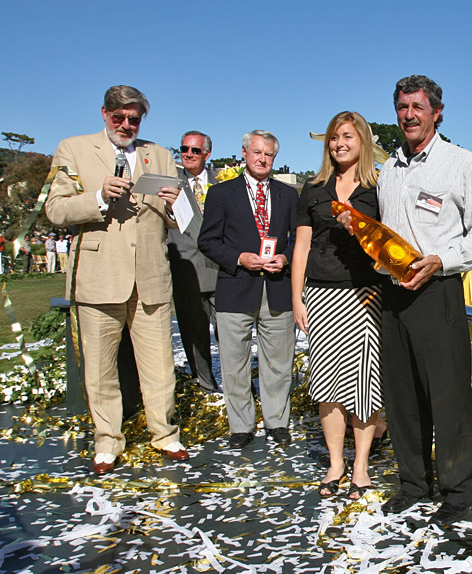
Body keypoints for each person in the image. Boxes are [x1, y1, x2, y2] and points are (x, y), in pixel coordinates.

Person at [371, 75, 472, 527]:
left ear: (436, 113)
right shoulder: (390, 170)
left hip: (438, 290)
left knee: (447, 399)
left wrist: (441, 259)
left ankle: (457, 492)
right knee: (402, 398)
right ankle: (413, 485)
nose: (409, 114)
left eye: (417, 107)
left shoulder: (460, 163)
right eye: (402, 107)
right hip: (393, 295)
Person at [44, 85, 188, 473]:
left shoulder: (158, 154)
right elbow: (54, 210)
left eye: (134, 119)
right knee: (101, 367)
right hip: (99, 275)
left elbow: (182, 219)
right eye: (118, 117)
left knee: (159, 365)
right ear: (104, 114)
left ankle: (166, 434)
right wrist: (96, 197)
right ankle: (107, 441)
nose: (126, 124)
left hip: (151, 277)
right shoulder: (72, 149)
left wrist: (178, 205)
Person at [292, 111, 384, 500]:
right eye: (334, 137)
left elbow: (389, 245)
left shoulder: (379, 188)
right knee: (328, 386)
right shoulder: (313, 188)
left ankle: (360, 465)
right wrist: (297, 298)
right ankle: (336, 463)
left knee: (365, 385)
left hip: (367, 295)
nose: (339, 143)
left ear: (362, 141)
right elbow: (301, 246)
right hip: (322, 294)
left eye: (347, 136)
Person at [198, 130, 298, 448]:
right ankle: (240, 426)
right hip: (235, 287)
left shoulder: (289, 194)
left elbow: (300, 240)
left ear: (274, 158)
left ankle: (276, 422)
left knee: (279, 362)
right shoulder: (221, 193)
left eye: (268, 154)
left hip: (277, 287)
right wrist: (239, 258)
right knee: (234, 361)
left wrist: (286, 257)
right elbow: (207, 241)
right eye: (256, 152)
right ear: (244, 153)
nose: (262, 159)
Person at [167, 130, 220, 393]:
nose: (188, 154)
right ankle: (206, 387)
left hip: (221, 270)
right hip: (185, 269)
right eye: (184, 149)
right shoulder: (168, 183)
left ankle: (239, 389)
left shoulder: (223, 182)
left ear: (207, 154)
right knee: (194, 334)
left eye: (195, 150)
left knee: (231, 335)